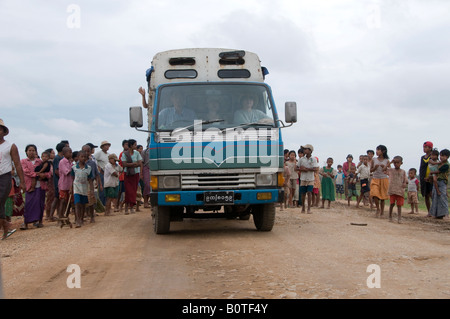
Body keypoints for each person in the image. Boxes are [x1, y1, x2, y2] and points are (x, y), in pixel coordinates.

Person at [0, 119, 26, 240]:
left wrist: (22, 181)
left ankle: (5, 225)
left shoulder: (10, 146)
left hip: (5, 176)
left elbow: (17, 164)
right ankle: (5, 225)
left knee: (0, 199)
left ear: (4, 131)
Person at [20, 145, 52, 230]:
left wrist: (44, 175)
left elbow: (49, 172)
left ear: (36, 152)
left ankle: (39, 221)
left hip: (40, 185)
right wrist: (36, 174)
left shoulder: (40, 162)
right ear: (26, 152)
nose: (31, 152)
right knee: (29, 204)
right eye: (29, 150)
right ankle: (26, 222)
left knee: (40, 203)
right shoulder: (23, 161)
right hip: (29, 185)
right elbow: (26, 171)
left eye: (33, 150)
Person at [71, 150, 94, 227]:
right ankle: (77, 220)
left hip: (84, 189)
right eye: (81, 157)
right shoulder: (74, 168)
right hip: (76, 188)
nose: (83, 158)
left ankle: (81, 218)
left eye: (85, 157)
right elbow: (72, 179)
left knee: (83, 204)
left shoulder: (89, 168)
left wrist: (92, 191)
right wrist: (71, 189)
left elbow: (90, 180)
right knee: (77, 204)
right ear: (78, 158)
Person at [121, 139, 143, 214]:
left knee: (133, 191)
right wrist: (134, 164)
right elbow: (124, 164)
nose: (136, 146)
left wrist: (130, 164)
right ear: (131, 145)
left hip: (135, 174)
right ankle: (127, 207)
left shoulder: (136, 153)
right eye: (135, 145)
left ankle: (131, 207)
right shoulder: (125, 154)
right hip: (127, 174)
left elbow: (140, 163)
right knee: (128, 191)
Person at [297, 144, 319, 213]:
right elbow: (296, 167)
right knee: (303, 193)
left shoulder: (314, 159)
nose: (304, 150)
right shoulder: (301, 159)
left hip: (310, 179)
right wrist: (302, 169)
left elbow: (315, 169)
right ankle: (303, 207)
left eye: (305, 149)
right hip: (303, 178)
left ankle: (308, 208)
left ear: (310, 150)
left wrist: (305, 169)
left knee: (309, 193)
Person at [370, 145, 390, 218]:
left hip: (384, 179)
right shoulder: (374, 160)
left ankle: (382, 212)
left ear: (383, 151)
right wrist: (374, 168)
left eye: (378, 150)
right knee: (375, 194)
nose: (377, 151)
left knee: (382, 197)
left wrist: (384, 168)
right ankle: (378, 209)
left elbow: (389, 171)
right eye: (376, 150)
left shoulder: (387, 161)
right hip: (375, 179)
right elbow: (370, 170)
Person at [429, 149, 449, 219]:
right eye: (440, 155)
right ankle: (436, 214)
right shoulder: (439, 163)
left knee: (443, 198)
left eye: (443, 156)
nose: (441, 157)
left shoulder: (446, 165)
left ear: (447, 157)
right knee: (435, 197)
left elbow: (438, 171)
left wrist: (432, 173)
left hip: (442, 182)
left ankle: (446, 214)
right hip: (437, 182)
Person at [387, 156, 408, 224]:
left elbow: (406, 180)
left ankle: (399, 218)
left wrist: (405, 183)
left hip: (400, 191)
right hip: (392, 190)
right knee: (392, 204)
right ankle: (390, 216)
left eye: (397, 163)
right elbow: (383, 169)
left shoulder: (403, 171)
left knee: (399, 205)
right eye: (394, 162)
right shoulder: (391, 170)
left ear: (401, 163)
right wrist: (390, 162)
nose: (396, 164)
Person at [57, 146, 74, 225]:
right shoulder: (62, 162)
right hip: (64, 185)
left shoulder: (70, 162)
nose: (71, 154)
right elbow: (67, 172)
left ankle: (66, 217)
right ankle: (60, 218)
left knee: (69, 202)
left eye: (71, 152)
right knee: (63, 201)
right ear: (64, 154)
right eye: (69, 152)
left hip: (70, 185)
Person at [94, 140, 111, 206]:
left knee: (107, 189)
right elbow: (93, 160)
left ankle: (106, 204)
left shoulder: (109, 154)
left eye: (108, 145)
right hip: (102, 173)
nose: (107, 147)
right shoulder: (99, 153)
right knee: (102, 189)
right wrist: (98, 167)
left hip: (108, 173)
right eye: (106, 145)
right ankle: (102, 204)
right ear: (102, 147)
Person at [419, 141, 434, 215]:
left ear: (430, 148)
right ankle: (429, 212)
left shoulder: (433, 157)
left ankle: (435, 211)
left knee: (432, 195)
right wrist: (421, 179)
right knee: (426, 195)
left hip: (431, 179)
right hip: (424, 179)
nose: (424, 149)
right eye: (423, 147)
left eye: (426, 147)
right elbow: (421, 168)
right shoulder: (422, 157)